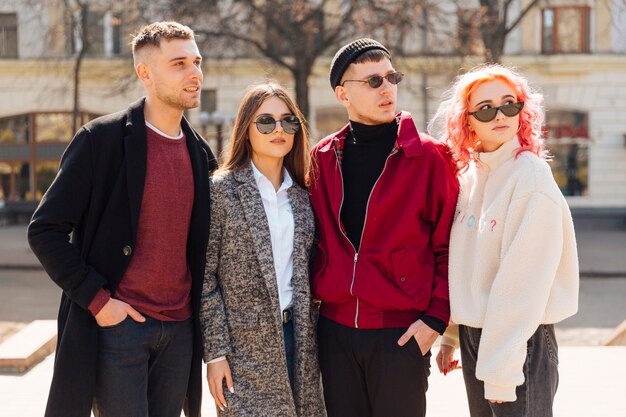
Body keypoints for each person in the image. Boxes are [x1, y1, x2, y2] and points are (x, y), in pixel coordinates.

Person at [27, 21, 217, 417]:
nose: (195, 73)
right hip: (120, 328)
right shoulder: (101, 140)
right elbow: (45, 230)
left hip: (179, 331)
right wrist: (98, 301)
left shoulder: (202, 156)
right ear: (144, 73)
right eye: (179, 63)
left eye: (196, 61)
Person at [308, 38, 459, 417]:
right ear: (343, 94)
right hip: (334, 331)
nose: (387, 88)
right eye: (373, 81)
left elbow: (450, 244)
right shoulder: (323, 157)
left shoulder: (429, 156)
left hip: (401, 332)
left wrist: (435, 320)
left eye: (392, 77)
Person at [430, 64, 579, 417]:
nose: (500, 114)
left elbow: (522, 286)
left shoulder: (530, 177)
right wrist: (453, 333)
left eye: (509, 104)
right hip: (478, 335)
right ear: (467, 121)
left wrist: (500, 371)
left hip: (520, 339)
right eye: (486, 108)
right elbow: (464, 265)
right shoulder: (469, 175)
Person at [200, 82, 326, 416]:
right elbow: (205, 279)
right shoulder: (221, 190)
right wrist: (215, 354)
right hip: (243, 350)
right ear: (246, 129)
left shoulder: (302, 196)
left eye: (288, 121)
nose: (279, 130)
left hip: (299, 341)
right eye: (266, 122)